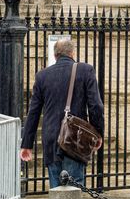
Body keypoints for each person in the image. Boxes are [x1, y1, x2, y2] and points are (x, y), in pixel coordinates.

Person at [20, 39, 104, 188]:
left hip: (51, 140)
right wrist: (97, 134)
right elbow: (95, 106)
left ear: (55, 54)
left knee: (56, 191)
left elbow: (33, 112)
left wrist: (27, 144)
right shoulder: (85, 70)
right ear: (72, 53)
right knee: (73, 190)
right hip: (74, 139)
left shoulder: (42, 76)